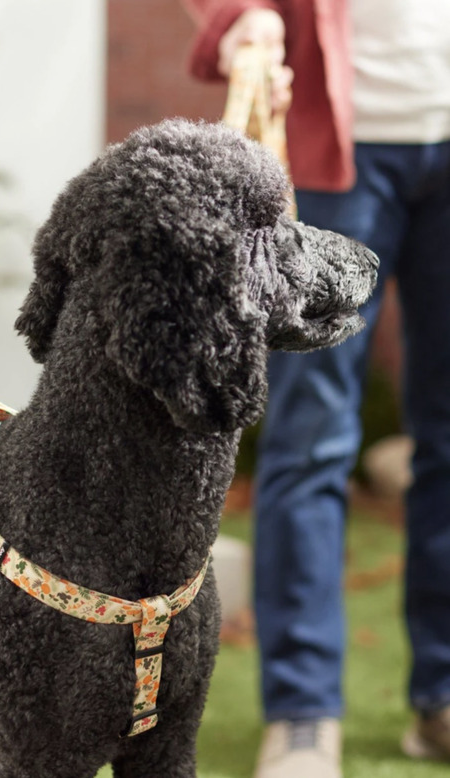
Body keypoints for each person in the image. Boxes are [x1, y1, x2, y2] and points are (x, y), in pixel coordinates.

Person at [182, 1, 450, 777]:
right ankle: (302, 713)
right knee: (311, 436)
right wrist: (241, 18)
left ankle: (441, 696)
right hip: (338, 140)